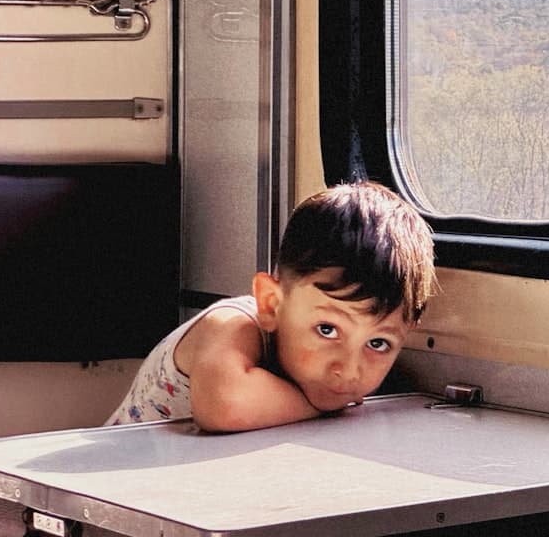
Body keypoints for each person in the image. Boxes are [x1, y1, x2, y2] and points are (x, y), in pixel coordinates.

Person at [105, 181, 437, 432]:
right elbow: (225, 406)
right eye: (327, 329)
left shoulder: (316, 372)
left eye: (378, 344)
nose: (349, 371)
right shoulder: (232, 325)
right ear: (271, 303)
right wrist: (327, 407)